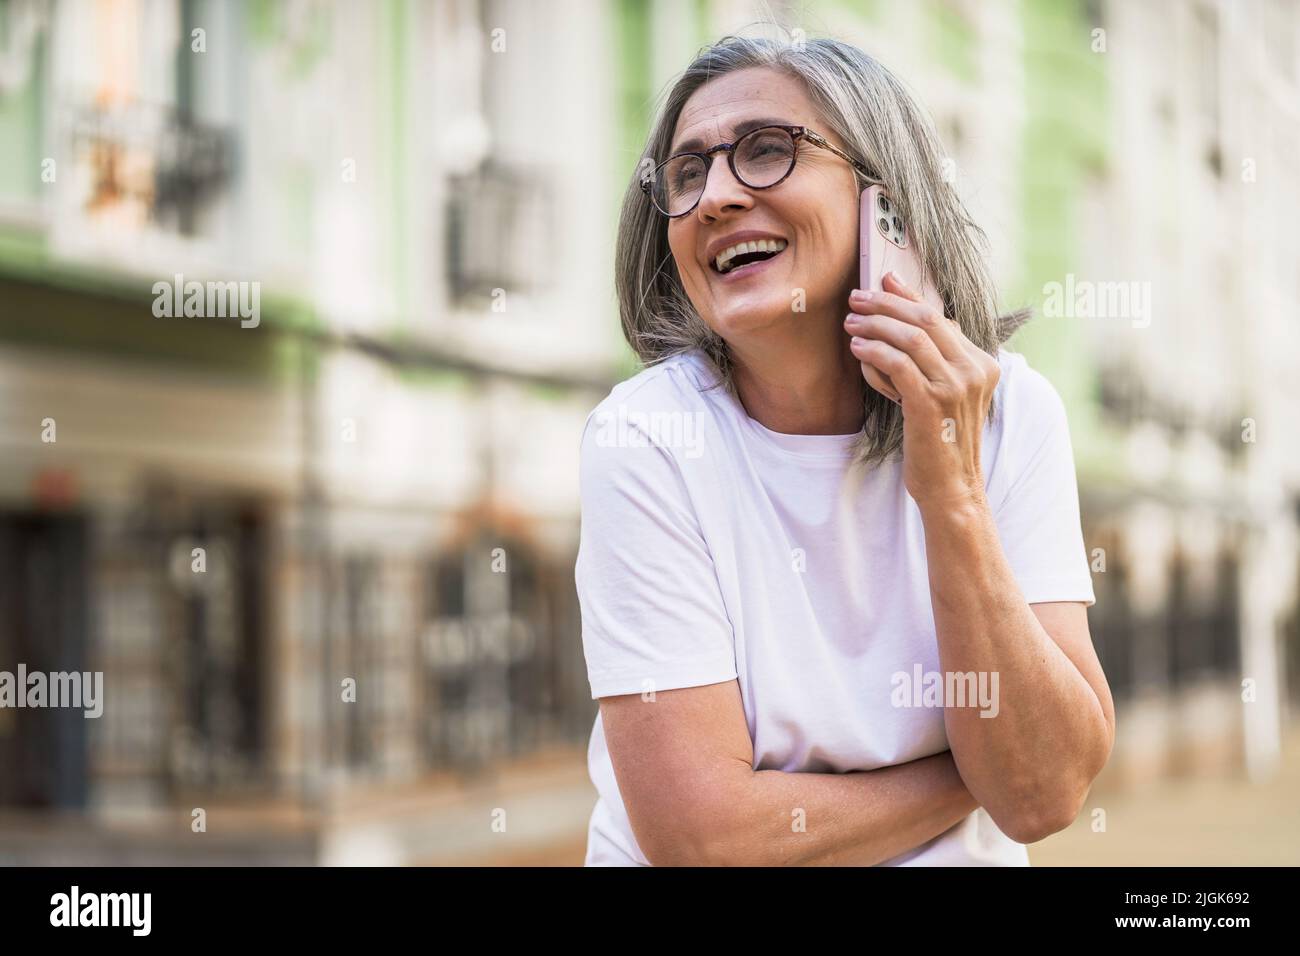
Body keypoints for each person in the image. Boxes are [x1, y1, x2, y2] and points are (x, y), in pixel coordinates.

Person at [576, 34, 1115, 866]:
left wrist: (955, 497)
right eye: (686, 174)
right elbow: (705, 840)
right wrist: (979, 774)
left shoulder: (1015, 414)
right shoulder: (648, 438)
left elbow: (1046, 795)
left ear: (885, 204)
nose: (714, 196)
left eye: (766, 151)